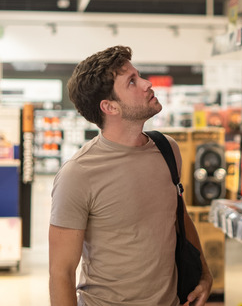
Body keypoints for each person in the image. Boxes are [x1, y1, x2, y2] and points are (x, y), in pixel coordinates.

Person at [49, 45, 213, 306]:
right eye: (132, 82)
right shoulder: (78, 174)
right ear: (110, 107)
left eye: (139, 75)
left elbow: (179, 216)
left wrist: (203, 272)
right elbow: (61, 273)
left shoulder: (167, 150)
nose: (147, 84)